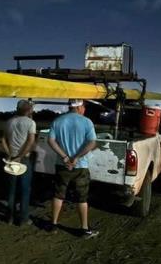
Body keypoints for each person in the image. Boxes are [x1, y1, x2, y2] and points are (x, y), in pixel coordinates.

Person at [47, 99, 99, 239]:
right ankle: (84, 229)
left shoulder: (57, 121)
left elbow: (50, 141)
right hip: (80, 166)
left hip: (62, 165)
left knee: (58, 195)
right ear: (80, 107)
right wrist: (76, 158)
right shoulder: (87, 122)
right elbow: (92, 142)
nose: (84, 110)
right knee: (82, 198)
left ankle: (54, 225)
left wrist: (65, 157)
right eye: (84, 107)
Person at [1, 100, 36, 226]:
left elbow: (3, 140)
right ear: (29, 110)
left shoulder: (9, 122)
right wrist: (20, 156)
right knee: (25, 190)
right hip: (23, 159)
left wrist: (10, 154)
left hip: (11, 159)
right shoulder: (31, 123)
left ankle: (9, 217)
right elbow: (30, 141)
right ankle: (23, 218)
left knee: (11, 189)